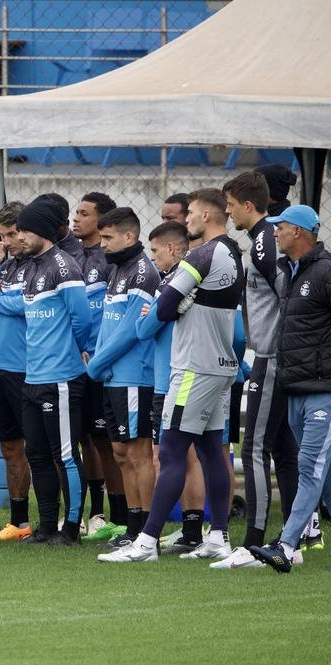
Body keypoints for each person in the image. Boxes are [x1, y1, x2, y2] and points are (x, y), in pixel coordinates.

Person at [100, 188, 245, 563]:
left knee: (170, 450)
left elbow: (160, 311)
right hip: (220, 366)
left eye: (192, 213)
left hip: (193, 369)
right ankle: (218, 537)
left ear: (208, 217)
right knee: (213, 451)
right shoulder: (233, 253)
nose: (187, 219)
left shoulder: (200, 255)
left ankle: (146, 542)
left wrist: (176, 302)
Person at [217, 171, 299, 569]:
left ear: (248, 206)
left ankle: (253, 545)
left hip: (271, 357)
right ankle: (295, 539)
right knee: (282, 446)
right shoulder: (264, 240)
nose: (227, 211)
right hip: (272, 355)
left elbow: (289, 298)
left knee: (253, 449)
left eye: (230, 205)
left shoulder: (266, 242)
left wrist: (278, 349)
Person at [250, 205, 328, 572]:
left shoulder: (325, 272)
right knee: (318, 474)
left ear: (298, 232)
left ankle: (285, 545)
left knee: (310, 467)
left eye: (280, 227)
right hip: (295, 388)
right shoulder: (291, 271)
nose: (275, 232)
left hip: (322, 390)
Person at [10, 200, 92, 545]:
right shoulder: (30, 267)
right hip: (33, 377)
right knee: (37, 455)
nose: (19, 237)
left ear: (41, 230)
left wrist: (68, 354)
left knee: (66, 455)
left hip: (59, 378)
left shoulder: (65, 266)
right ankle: (45, 526)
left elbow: (82, 319)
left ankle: (71, 528)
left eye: (24, 230)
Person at [86, 208, 160, 547]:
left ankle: (148, 529)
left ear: (129, 237)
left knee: (138, 452)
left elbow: (132, 330)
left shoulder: (144, 272)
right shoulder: (117, 270)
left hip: (134, 376)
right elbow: (107, 323)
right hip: (113, 375)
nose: (102, 245)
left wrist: (97, 363)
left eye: (108, 238)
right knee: (118, 452)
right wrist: (100, 360)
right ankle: (132, 526)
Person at [135, 221, 208, 555]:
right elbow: (145, 324)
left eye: (155, 250)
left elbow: (146, 326)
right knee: (181, 455)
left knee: (177, 456)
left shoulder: (179, 281)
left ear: (173, 248)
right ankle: (190, 531)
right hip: (171, 377)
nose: (153, 258)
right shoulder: (171, 281)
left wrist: (153, 314)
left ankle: (184, 532)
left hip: (175, 379)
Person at [73, 192, 126, 542]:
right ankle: (94, 511)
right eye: (75, 212)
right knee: (85, 440)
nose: (75, 219)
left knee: (108, 442)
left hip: (103, 362)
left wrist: (98, 352)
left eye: (84, 213)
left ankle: (122, 514)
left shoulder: (111, 261)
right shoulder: (71, 257)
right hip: (78, 362)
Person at [0, 201, 34, 542]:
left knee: (46, 451)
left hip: (32, 369)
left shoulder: (45, 266)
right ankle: (19, 522)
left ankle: (61, 520)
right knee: (11, 447)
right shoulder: (3, 268)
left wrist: (1, 299)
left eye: (13, 234)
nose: (7, 243)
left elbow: (23, 307)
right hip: (0, 367)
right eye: (2, 236)